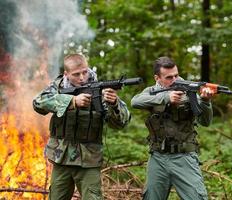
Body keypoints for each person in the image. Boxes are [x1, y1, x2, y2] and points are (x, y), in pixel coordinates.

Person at [33, 53, 130, 200]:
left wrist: (114, 104)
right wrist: (72, 101)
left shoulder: (100, 89)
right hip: (61, 158)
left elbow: (122, 122)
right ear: (66, 74)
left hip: (89, 159)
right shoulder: (58, 87)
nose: (82, 77)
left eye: (85, 72)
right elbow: (38, 103)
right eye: (76, 74)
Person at [131, 56, 214, 200]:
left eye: (176, 75)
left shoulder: (189, 90)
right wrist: (167, 97)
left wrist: (206, 101)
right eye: (169, 77)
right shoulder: (151, 91)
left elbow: (205, 122)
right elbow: (135, 101)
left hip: (185, 157)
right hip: (157, 158)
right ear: (157, 78)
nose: (175, 80)